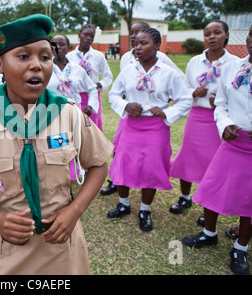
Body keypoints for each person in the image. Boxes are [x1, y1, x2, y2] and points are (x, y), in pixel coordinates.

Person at [0, 14, 113, 275]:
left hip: (60, 249)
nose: (37, 65)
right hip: (6, 249)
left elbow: (98, 165)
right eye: (24, 56)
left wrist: (74, 211)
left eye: (45, 57)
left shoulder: (68, 114)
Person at [182, 26, 252, 275]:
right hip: (233, 142)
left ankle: (240, 247)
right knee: (212, 186)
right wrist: (224, 125)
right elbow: (221, 103)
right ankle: (209, 233)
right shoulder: (234, 68)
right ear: (247, 37)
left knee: (249, 199)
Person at [107, 28, 192, 232]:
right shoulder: (129, 70)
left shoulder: (168, 73)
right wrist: (126, 106)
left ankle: (145, 209)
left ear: (157, 45)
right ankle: (123, 204)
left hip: (156, 128)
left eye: (143, 43)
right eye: (135, 43)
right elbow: (113, 94)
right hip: (132, 126)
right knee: (123, 164)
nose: (138, 47)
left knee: (151, 168)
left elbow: (185, 99)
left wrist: (166, 113)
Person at [169, 20, 238, 223]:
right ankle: (184, 197)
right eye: (208, 34)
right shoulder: (195, 62)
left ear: (226, 35)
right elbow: (184, 89)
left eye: (217, 33)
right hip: (197, 116)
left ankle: (207, 206)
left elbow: (238, 93)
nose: (212, 37)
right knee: (188, 156)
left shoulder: (234, 63)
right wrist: (193, 92)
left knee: (213, 163)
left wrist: (222, 102)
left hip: (219, 120)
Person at [47, 34, 99, 181]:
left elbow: (92, 88)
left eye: (61, 44)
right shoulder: (45, 68)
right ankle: (60, 180)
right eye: (53, 45)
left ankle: (76, 174)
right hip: (53, 116)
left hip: (74, 115)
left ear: (68, 47)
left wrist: (90, 105)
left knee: (74, 146)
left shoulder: (77, 69)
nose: (57, 48)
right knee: (57, 148)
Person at [68, 24, 113, 131]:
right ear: (79, 35)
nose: (88, 38)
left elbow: (108, 76)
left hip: (92, 97)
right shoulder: (69, 57)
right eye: (85, 35)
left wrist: (99, 84)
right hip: (75, 96)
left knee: (92, 127)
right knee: (75, 126)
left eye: (91, 36)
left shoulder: (98, 56)